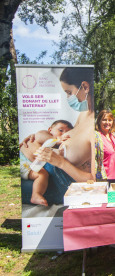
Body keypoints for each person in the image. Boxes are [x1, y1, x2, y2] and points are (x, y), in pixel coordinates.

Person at [21, 67, 96, 205]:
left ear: (85, 87)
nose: (68, 98)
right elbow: (65, 136)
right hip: (43, 170)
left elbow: (94, 180)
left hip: (60, 184)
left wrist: (60, 162)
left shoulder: (94, 127)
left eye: (69, 92)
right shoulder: (83, 115)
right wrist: (36, 137)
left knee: (19, 188)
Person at [20, 120, 73, 206]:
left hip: (31, 167)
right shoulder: (46, 135)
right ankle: (36, 194)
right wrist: (57, 140)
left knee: (41, 174)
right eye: (60, 130)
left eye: (66, 133)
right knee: (42, 174)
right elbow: (39, 136)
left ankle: (36, 195)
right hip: (24, 161)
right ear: (50, 129)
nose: (63, 134)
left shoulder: (58, 146)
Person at [95, 110, 115, 183]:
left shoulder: (114, 136)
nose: (107, 122)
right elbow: (93, 159)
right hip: (104, 178)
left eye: (110, 120)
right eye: (104, 120)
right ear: (99, 121)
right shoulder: (96, 136)